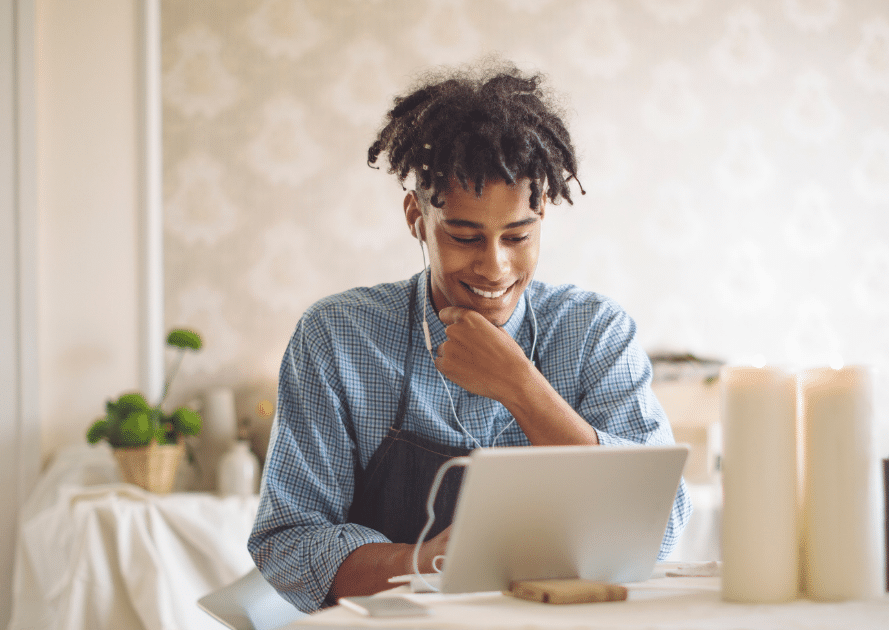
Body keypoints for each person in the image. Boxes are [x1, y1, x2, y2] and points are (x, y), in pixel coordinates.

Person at [248, 62, 691, 612]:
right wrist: (429, 561)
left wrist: (520, 385)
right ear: (416, 217)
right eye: (464, 236)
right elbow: (287, 543)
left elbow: (661, 528)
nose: (494, 266)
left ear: (541, 215)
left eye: (517, 236)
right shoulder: (338, 337)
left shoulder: (595, 332)